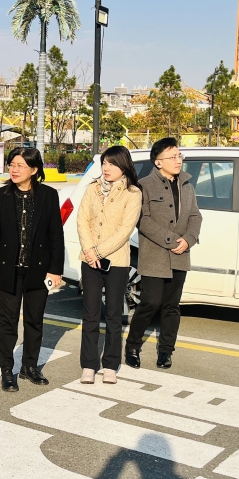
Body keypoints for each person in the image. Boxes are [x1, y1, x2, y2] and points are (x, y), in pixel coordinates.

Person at [0, 147, 64, 392]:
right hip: (8, 270)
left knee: (34, 321)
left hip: (38, 271)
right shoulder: (0, 196)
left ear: (34, 169)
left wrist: (55, 270)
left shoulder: (48, 195)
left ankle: (30, 366)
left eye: (20, 165)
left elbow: (55, 235)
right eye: (12, 164)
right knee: (7, 322)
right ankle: (6, 369)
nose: (14, 169)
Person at [124, 137, 202, 370]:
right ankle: (132, 346)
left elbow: (195, 215)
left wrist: (189, 240)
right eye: (173, 157)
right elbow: (143, 220)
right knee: (150, 302)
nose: (178, 160)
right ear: (158, 162)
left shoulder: (187, 184)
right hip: (155, 254)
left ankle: (166, 351)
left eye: (179, 156)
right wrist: (171, 240)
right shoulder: (144, 185)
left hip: (180, 253)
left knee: (171, 305)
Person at [76, 146, 142, 385]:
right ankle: (88, 364)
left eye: (112, 164)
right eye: (104, 163)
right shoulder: (92, 188)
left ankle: (111, 365)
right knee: (90, 314)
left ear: (123, 166)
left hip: (117, 262)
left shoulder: (133, 193)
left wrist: (98, 251)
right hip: (89, 260)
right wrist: (89, 251)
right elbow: (82, 220)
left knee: (114, 314)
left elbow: (126, 229)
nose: (106, 168)